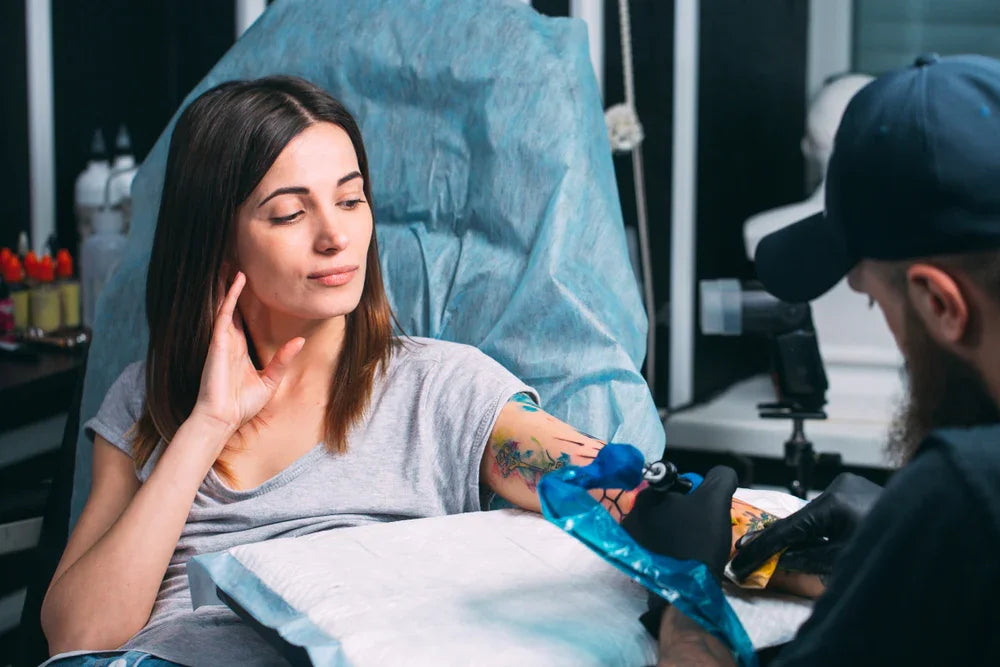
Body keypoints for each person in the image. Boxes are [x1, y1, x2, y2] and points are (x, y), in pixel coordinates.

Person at [39, 76, 644, 666]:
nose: (336, 236)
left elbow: (623, 492)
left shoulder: (445, 387)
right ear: (217, 241)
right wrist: (208, 424)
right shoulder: (148, 398)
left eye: (351, 201)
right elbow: (79, 635)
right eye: (289, 214)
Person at [625, 54, 1000, 666]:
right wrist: (911, 547)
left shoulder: (969, 491)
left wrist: (683, 594)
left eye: (877, 304)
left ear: (940, 305)